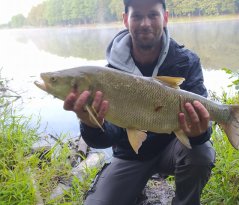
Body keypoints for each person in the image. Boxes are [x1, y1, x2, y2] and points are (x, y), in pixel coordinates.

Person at [64, 0, 216, 204]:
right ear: (126, 20)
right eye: (137, 16)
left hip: (173, 148)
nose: (145, 23)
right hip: (130, 155)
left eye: (153, 15)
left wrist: (199, 132)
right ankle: (133, 189)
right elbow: (107, 137)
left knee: (202, 153)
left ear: (165, 18)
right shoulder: (109, 74)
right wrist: (91, 122)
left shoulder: (186, 61)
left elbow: (202, 130)